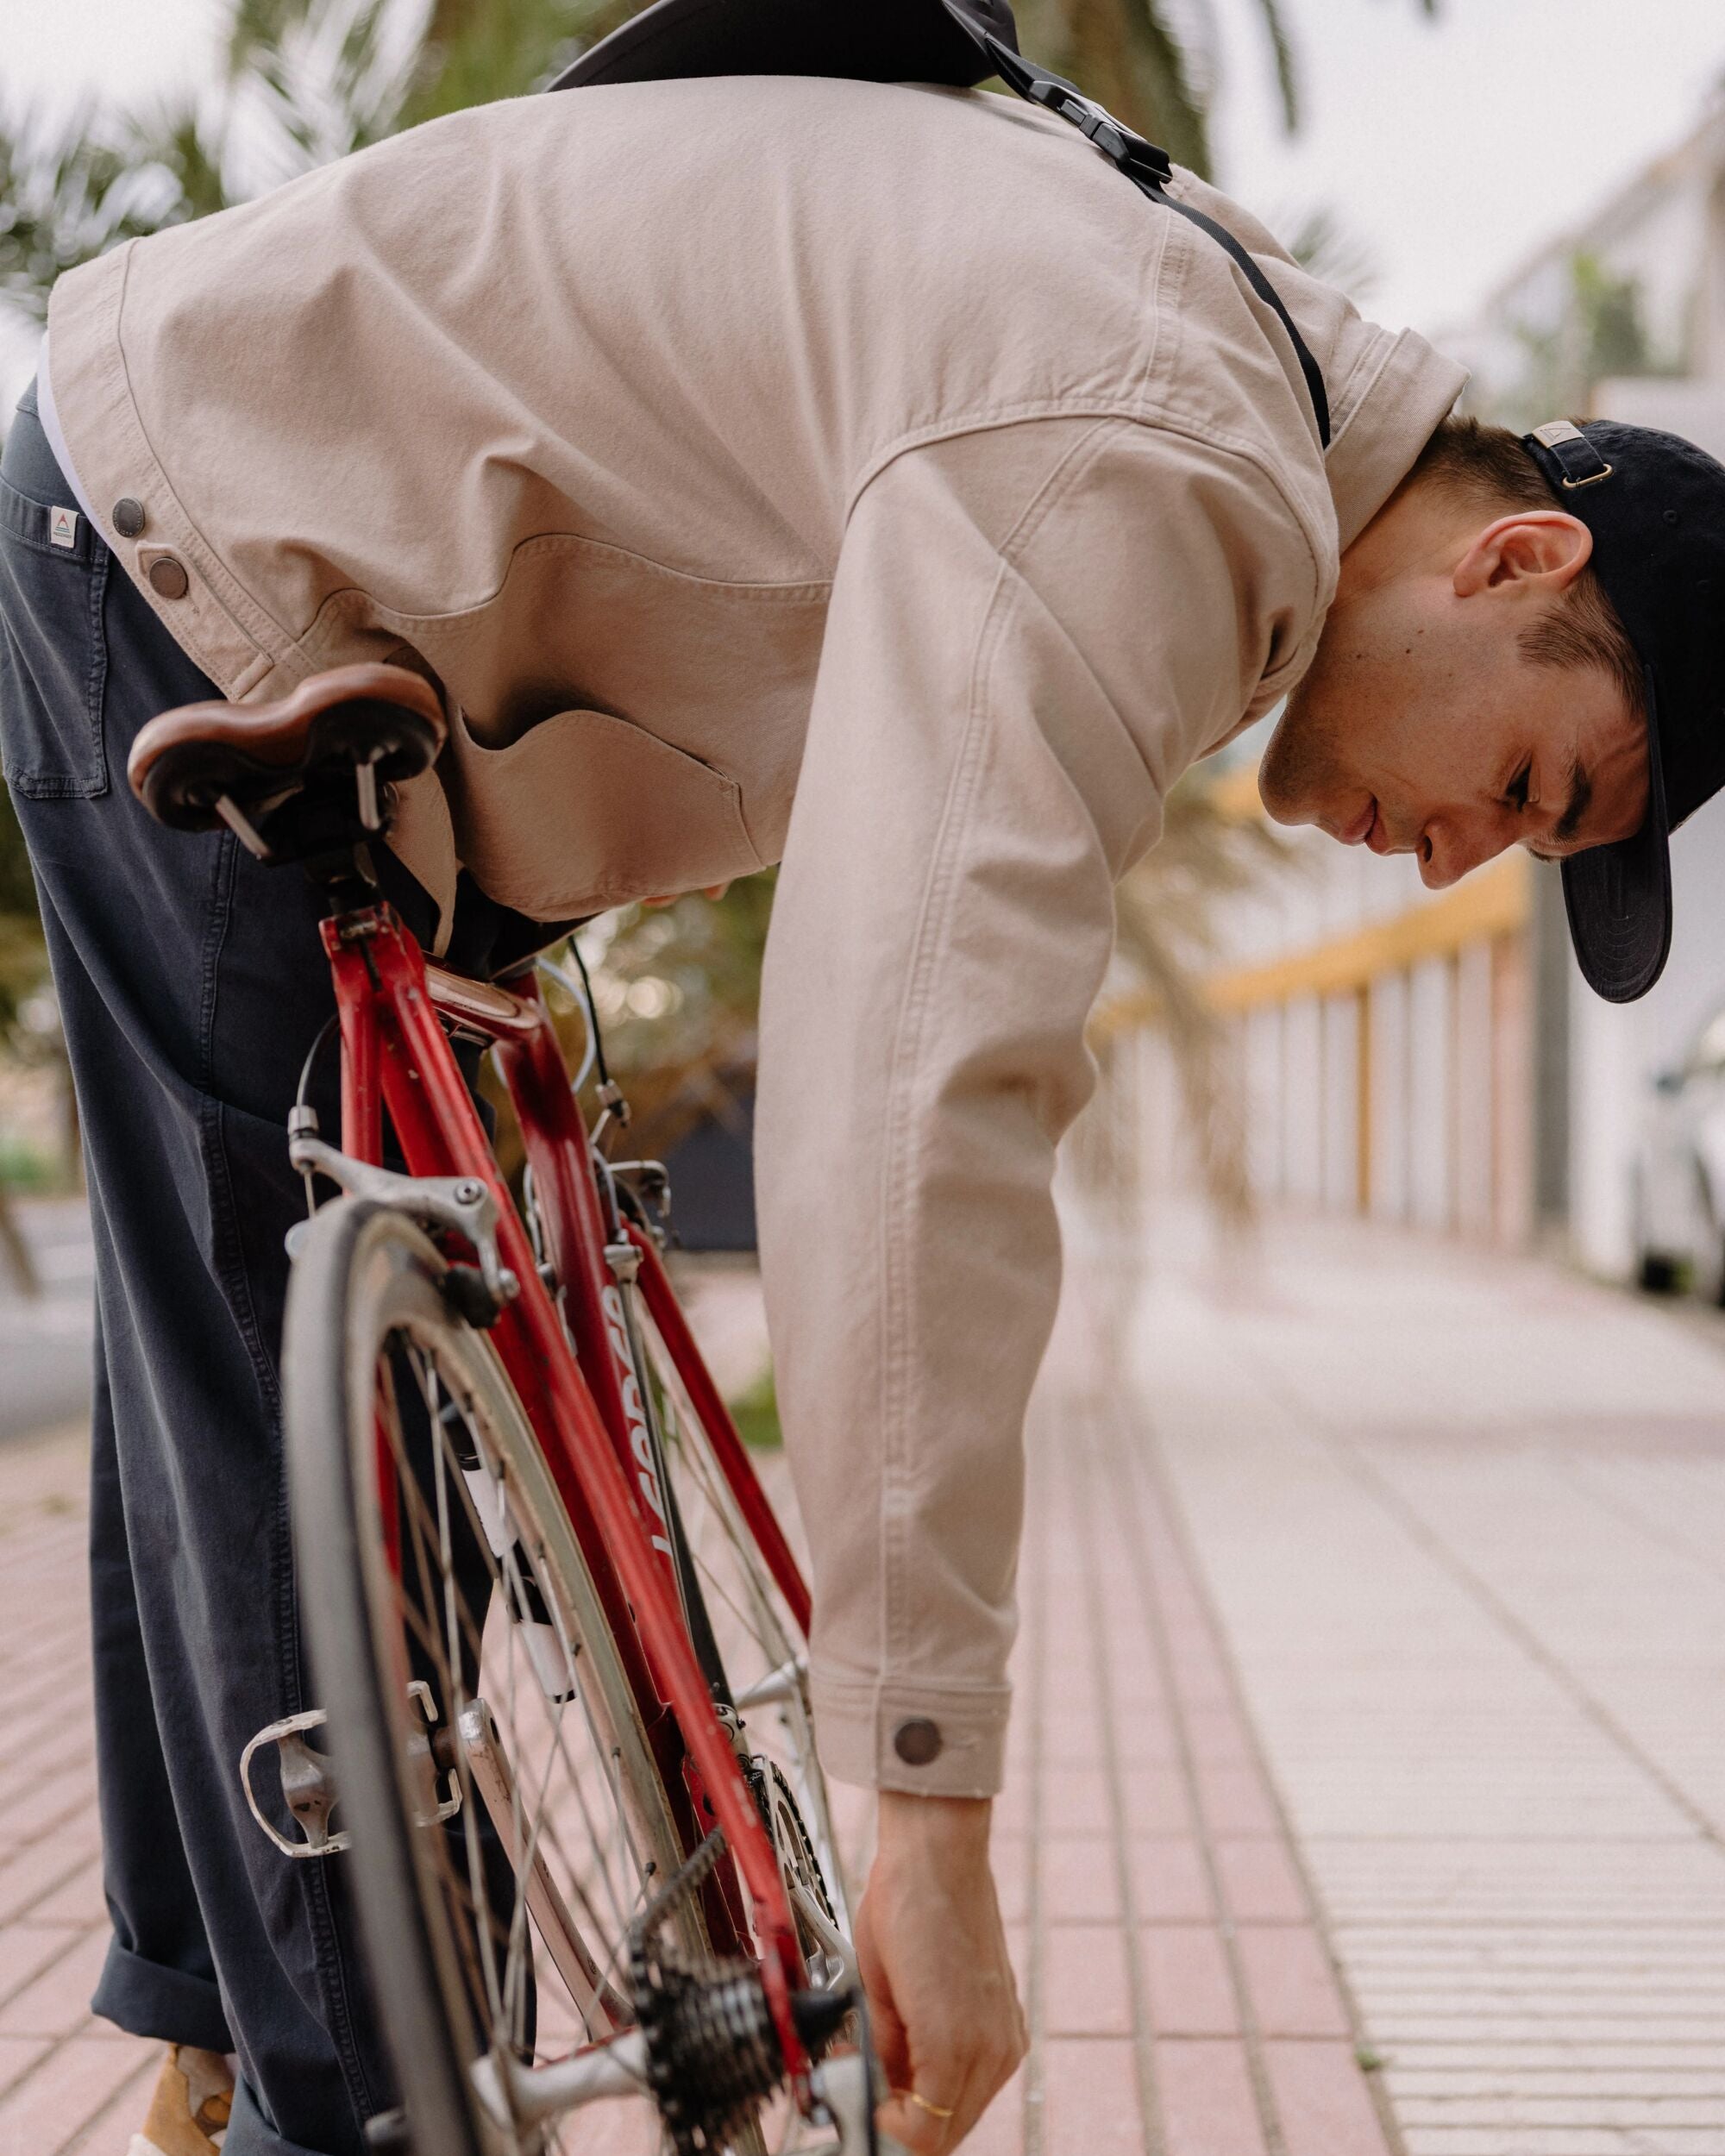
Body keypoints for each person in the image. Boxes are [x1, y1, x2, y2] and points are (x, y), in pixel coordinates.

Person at [2, 46, 1718, 2156]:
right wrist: (925, 1796)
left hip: (389, 588)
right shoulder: (1156, 454)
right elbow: (919, 1068)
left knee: (254, 1302)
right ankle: (312, 2095)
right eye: (1531, 791)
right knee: (271, 1353)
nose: (1459, 855)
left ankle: (209, 2009)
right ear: (1518, 560)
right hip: (202, 530)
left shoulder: (1236, 350)